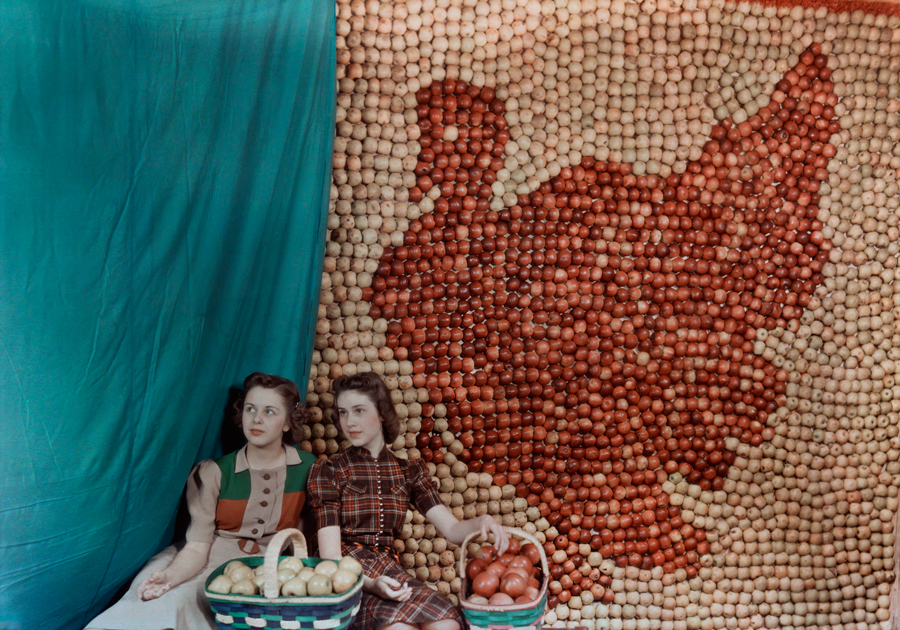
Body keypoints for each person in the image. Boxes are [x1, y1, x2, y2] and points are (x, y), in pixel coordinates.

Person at [86, 372, 316, 630]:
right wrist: (169, 577)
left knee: (182, 602)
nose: (257, 419)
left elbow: (304, 540)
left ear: (288, 423)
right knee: (151, 593)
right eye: (250, 409)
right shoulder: (214, 472)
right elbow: (196, 548)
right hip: (200, 554)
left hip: (261, 567)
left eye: (270, 412)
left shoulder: (310, 469)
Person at [307, 372, 508, 630]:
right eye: (343, 412)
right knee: (399, 628)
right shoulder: (329, 470)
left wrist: (484, 520)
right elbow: (332, 557)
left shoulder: (408, 471)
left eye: (359, 410)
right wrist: (370, 584)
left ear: (381, 413)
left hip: (389, 571)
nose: (349, 422)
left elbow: (453, 530)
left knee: (447, 624)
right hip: (347, 577)